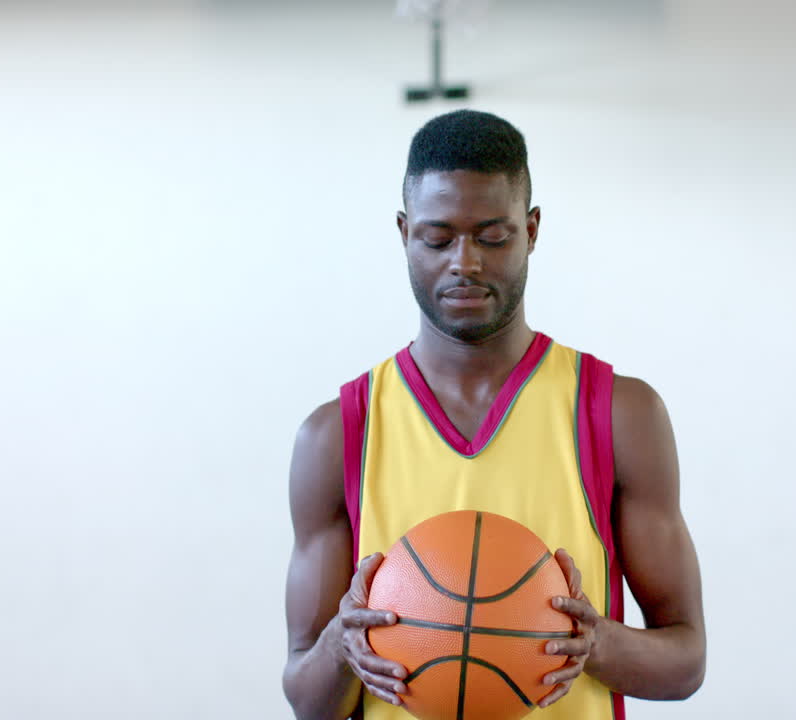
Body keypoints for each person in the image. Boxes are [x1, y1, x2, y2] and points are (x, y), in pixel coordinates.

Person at [282, 109, 705, 720]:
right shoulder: (338, 432)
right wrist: (342, 646)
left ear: (531, 230)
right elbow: (305, 698)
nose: (465, 262)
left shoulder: (616, 412)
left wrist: (597, 643)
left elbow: (686, 660)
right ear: (404, 232)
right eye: (437, 237)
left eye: (492, 235)